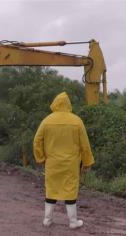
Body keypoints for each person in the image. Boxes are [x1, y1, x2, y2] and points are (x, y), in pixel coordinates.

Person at [33, 92, 94, 229]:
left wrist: (40, 158)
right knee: (70, 190)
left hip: (52, 163)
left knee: (51, 189)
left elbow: (37, 141)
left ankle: (47, 220)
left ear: (55, 103)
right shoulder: (77, 121)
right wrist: (87, 162)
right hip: (71, 164)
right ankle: (73, 222)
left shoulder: (46, 120)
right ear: (68, 104)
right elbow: (85, 144)